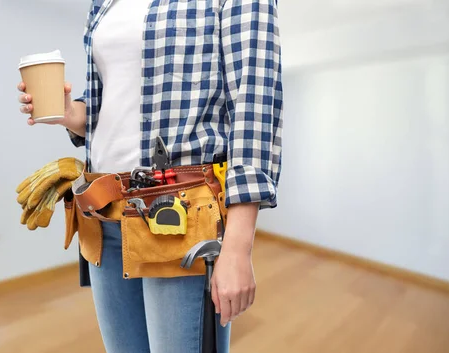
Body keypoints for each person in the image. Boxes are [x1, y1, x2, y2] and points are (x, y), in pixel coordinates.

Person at [17, 0, 282, 352]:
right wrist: (70, 113)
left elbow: (255, 104)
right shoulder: (103, 4)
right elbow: (108, 107)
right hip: (103, 215)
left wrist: (237, 247)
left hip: (179, 218)